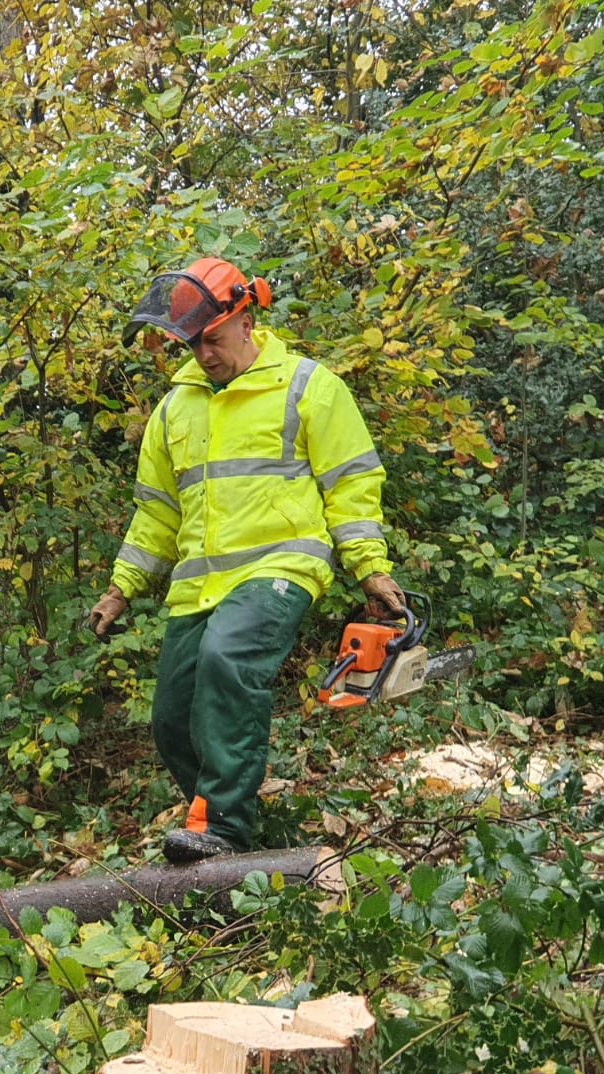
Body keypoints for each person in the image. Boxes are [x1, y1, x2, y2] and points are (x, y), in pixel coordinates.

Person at [88, 257, 405, 863]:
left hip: (282, 567)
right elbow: (156, 512)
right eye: (191, 343)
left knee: (227, 659)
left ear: (245, 318)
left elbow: (351, 485)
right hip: (198, 587)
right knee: (171, 716)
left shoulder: (309, 387)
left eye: (213, 339)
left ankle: (226, 828)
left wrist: (370, 566)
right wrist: (121, 587)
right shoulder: (174, 410)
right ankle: (215, 823)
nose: (203, 354)